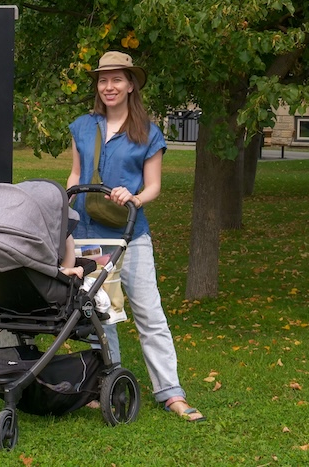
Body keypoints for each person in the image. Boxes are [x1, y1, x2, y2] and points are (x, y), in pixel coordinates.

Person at [66, 50, 205, 422]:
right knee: (101, 314)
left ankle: (171, 393)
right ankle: (107, 384)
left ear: (130, 85)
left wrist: (135, 197)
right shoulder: (83, 126)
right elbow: (75, 176)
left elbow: (154, 186)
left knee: (149, 313)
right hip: (89, 235)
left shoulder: (148, 131)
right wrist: (68, 212)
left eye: (117, 79)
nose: (109, 86)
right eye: (102, 80)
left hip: (131, 235)